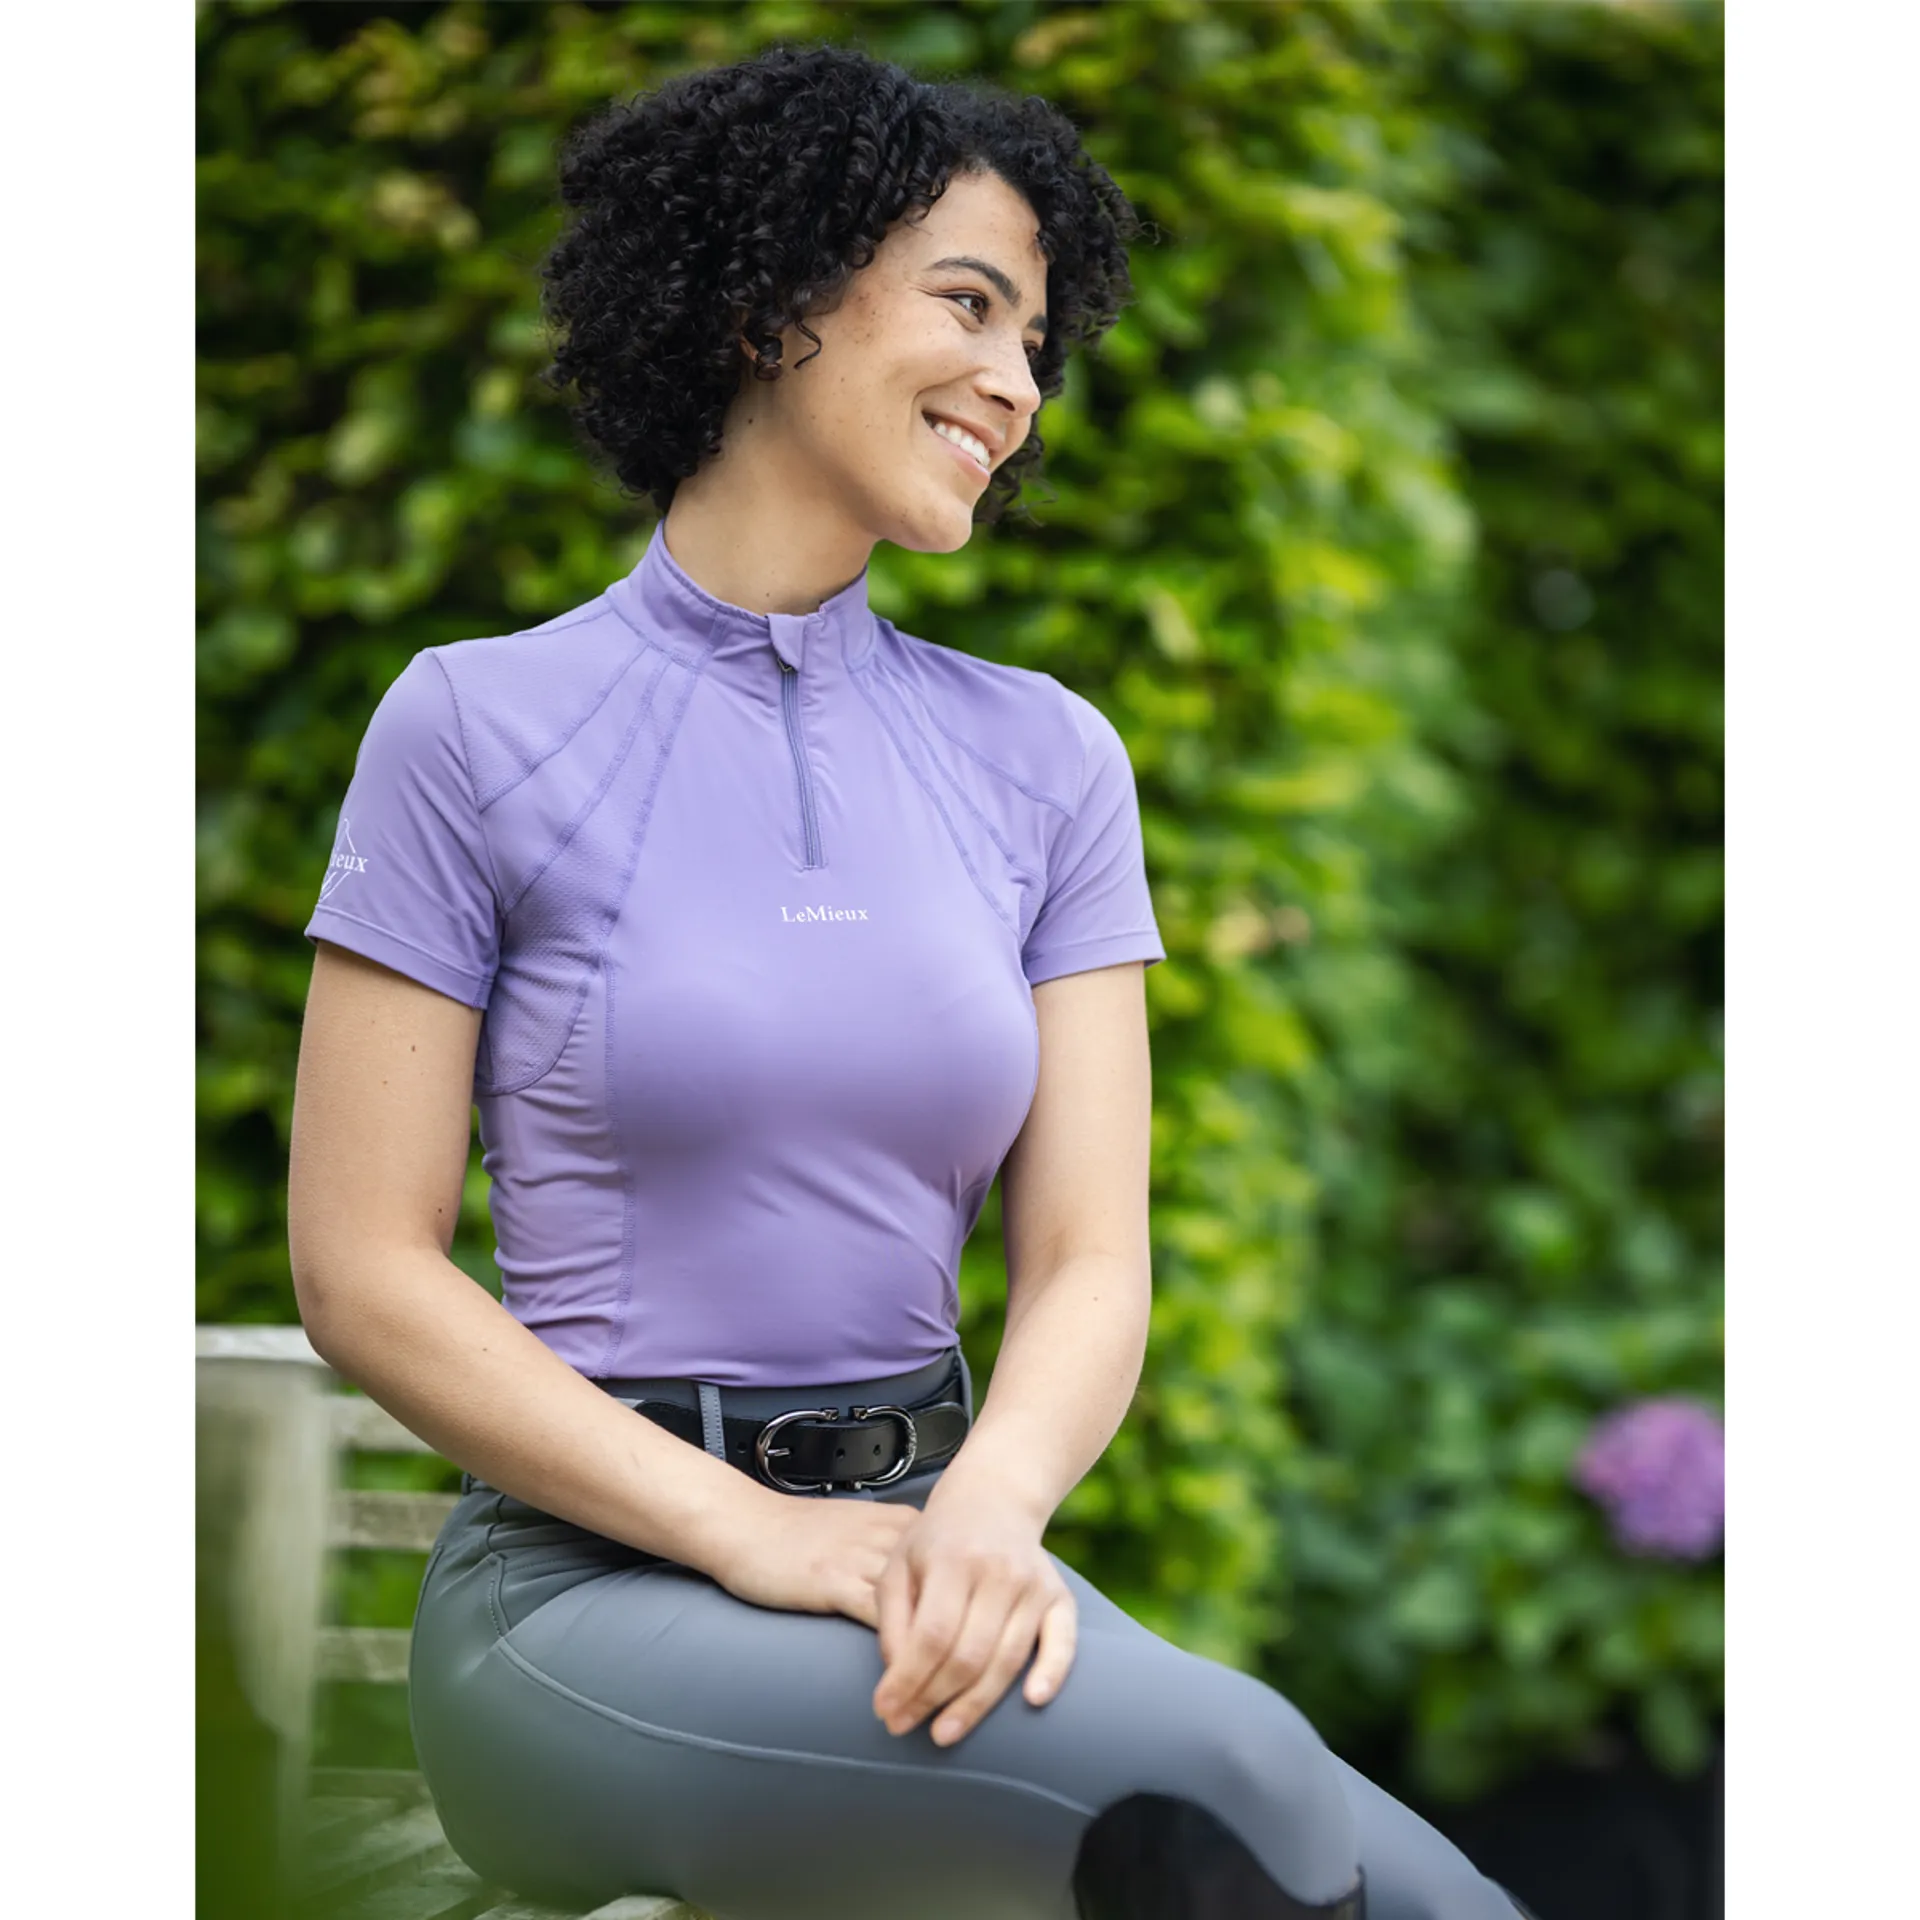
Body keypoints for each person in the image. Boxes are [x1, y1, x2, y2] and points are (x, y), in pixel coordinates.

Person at [286, 42, 1536, 1920]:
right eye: (968, 305)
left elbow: (1091, 1259)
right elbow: (360, 1268)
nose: (1016, 384)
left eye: (1036, 339)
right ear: (771, 298)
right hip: (584, 1601)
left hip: (930, 1553)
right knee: (1239, 1782)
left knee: (1448, 1899)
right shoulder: (474, 726)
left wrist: (988, 1515)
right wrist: (752, 1533)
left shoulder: (1048, 760)